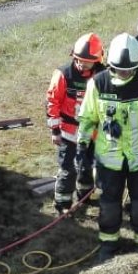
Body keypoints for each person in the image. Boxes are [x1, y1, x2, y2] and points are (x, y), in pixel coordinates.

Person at [76, 33, 138, 261]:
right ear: (110, 64)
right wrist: (81, 146)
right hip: (109, 159)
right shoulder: (98, 84)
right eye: (120, 69)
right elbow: (88, 118)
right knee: (109, 205)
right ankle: (109, 245)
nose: (125, 73)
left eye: (129, 69)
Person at [46, 33, 104, 214]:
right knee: (67, 169)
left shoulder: (103, 75)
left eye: (86, 61)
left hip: (91, 133)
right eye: (78, 59)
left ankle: (85, 195)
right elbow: (52, 102)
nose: (81, 64)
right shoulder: (64, 75)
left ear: (97, 60)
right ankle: (63, 204)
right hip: (67, 133)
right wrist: (55, 130)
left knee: (88, 166)